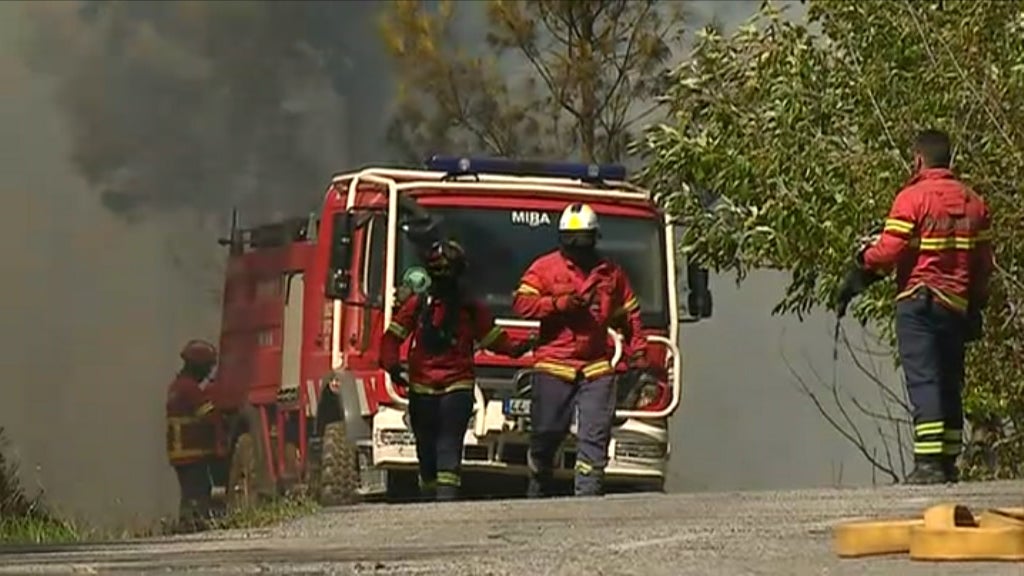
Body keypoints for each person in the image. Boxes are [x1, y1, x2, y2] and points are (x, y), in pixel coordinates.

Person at [857, 129, 993, 484]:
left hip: (918, 301)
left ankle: (928, 464)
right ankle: (947, 461)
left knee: (925, 380)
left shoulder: (912, 198)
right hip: (957, 305)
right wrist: (976, 304)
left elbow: (888, 252)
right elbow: (982, 264)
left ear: (918, 158)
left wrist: (864, 256)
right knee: (949, 381)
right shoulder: (974, 203)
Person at [512, 203, 649, 498]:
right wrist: (557, 304)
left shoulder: (611, 274)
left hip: (596, 366)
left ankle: (587, 499)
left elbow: (631, 315)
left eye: (582, 239)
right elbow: (522, 304)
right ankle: (540, 478)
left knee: (595, 435)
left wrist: (638, 350)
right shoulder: (545, 268)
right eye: (570, 239)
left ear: (595, 237)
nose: (576, 246)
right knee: (547, 432)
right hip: (554, 364)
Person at [379, 239, 532, 501]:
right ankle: (436, 499)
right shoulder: (434, 305)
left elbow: (391, 339)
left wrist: (393, 367)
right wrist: (392, 366)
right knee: (435, 447)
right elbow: (391, 339)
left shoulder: (457, 307)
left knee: (439, 447)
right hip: (434, 387)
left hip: (444, 387)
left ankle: (440, 500)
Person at [165, 339, 220, 530]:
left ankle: (187, 524)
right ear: (197, 366)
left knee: (189, 493)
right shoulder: (189, 389)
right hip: (192, 453)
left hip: (180, 454)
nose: (207, 373)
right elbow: (209, 416)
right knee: (198, 491)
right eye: (206, 367)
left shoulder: (176, 387)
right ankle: (194, 524)